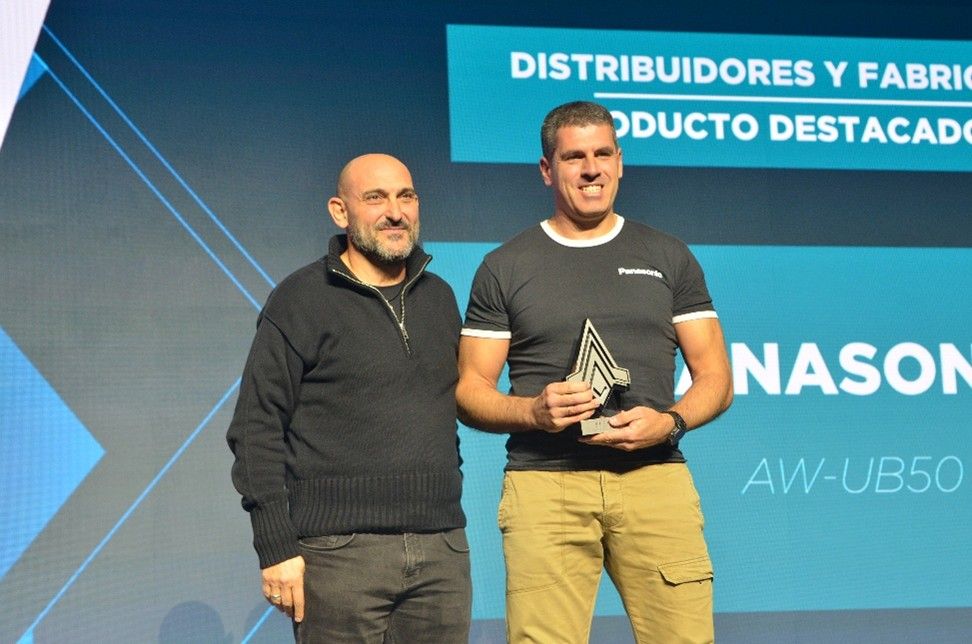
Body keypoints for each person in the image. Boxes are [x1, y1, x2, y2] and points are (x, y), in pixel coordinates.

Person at [457, 101, 733, 643]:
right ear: (547, 169)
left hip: (655, 479)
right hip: (545, 486)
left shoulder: (669, 256)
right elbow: (469, 391)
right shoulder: (504, 267)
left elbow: (716, 379)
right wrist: (533, 412)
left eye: (602, 154)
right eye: (574, 157)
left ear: (620, 162)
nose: (591, 170)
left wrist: (669, 423)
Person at [227, 153, 471, 643]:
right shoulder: (300, 299)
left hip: (441, 549)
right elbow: (256, 428)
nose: (395, 212)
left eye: (406, 196)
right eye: (375, 198)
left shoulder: (440, 297)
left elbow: (441, 415)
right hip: (338, 555)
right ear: (340, 211)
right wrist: (275, 545)